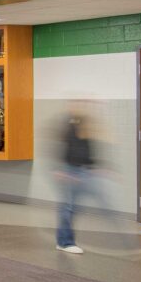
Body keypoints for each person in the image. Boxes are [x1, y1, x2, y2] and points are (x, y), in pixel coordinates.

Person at [56, 102, 96, 254]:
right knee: (68, 207)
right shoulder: (68, 125)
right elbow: (63, 147)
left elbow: (86, 148)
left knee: (73, 207)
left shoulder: (83, 125)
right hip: (69, 170)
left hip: (80, 170)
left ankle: (63, 240)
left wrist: (91, 166)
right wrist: (62, 170)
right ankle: (66, 242)